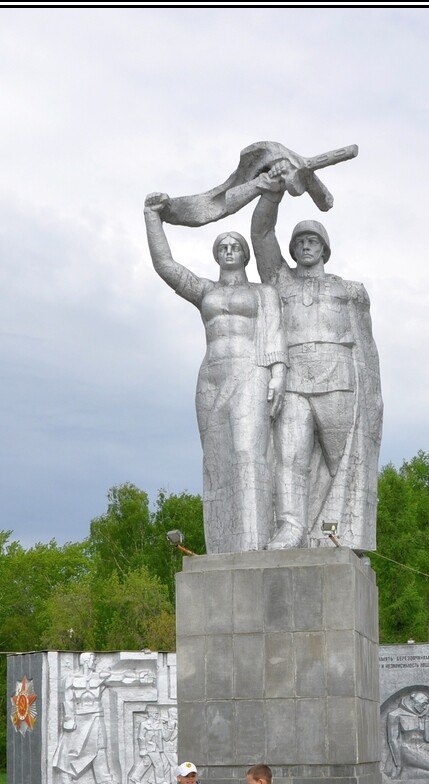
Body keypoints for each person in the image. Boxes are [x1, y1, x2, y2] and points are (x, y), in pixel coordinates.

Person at [145, 192, 287, 553]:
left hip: (250, 370)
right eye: (222, 246)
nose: (228, 250)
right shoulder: (204, 291)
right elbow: (166, 266)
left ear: (244, 254)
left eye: (234, 246)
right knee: (215, 460)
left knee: (247, 453)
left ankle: (254, 543)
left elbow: (274, 335)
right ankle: (223, 547)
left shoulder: (264, 293)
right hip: (211, 375)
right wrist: (152, 218)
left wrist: (278, 375)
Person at [251, 172, 382, 551]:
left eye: (313, 241)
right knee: (289, 459)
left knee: (345, 460)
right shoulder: (280, 280)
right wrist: (271, 193)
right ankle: (290, 528)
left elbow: (366, 348)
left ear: (324, 249)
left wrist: (370, 398)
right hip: (292, 380)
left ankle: (339, 535)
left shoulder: (350, 290)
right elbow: (260, 234)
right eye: (301, 242)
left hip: (338, 377)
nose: (306, 247)